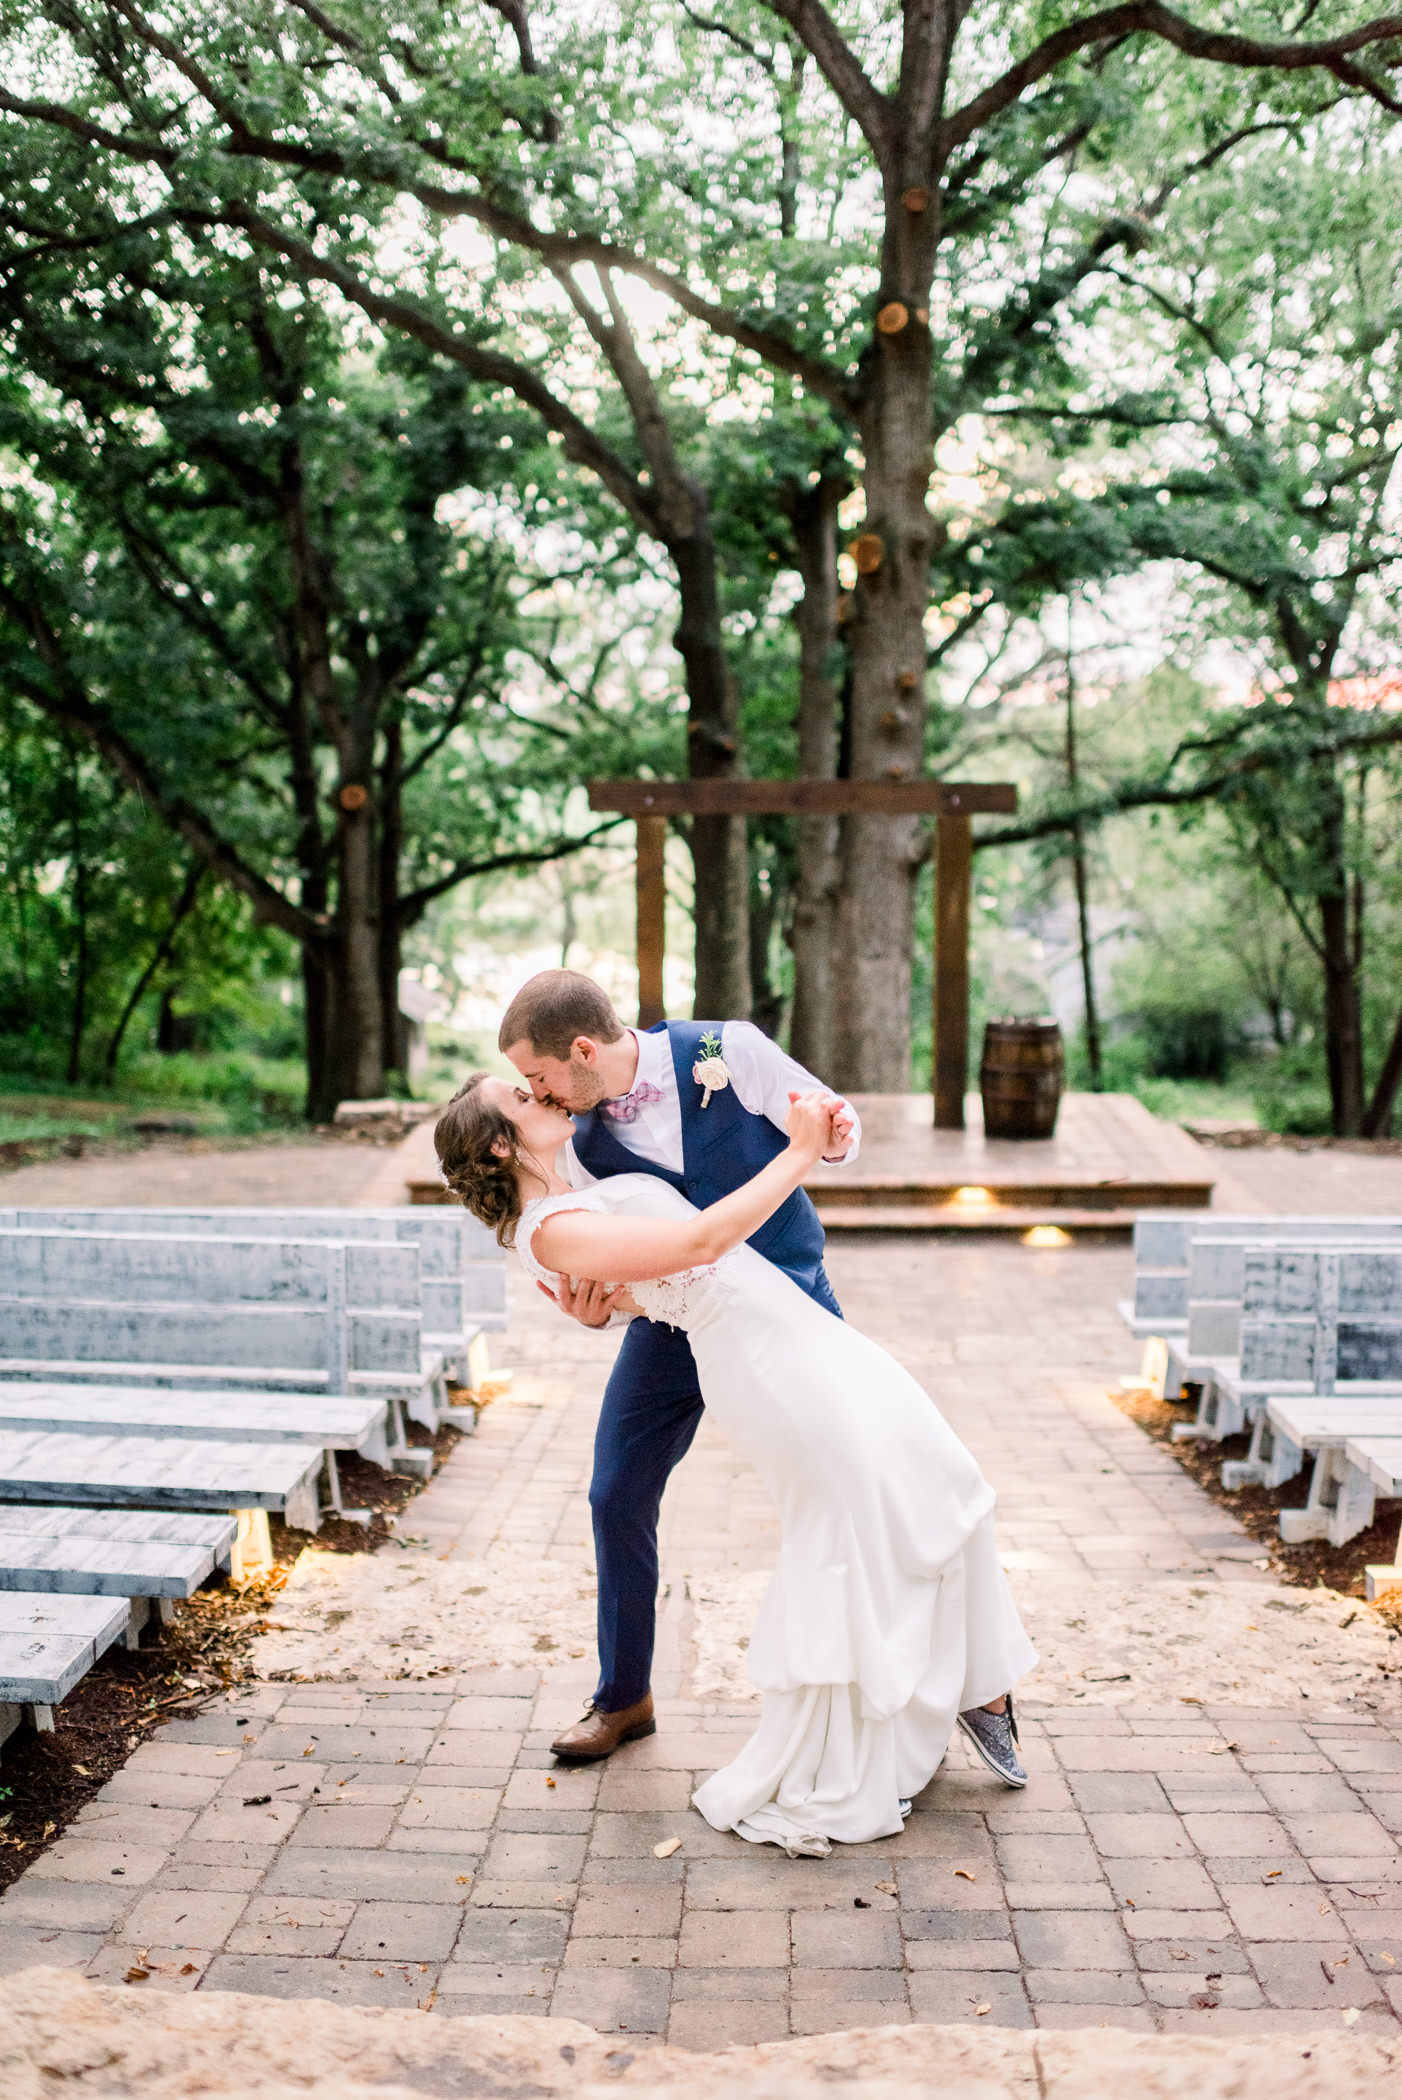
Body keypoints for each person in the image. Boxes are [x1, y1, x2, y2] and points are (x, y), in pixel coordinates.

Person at [434, 1057, 1037, 1858]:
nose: (538, 1092)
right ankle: (859, 1741)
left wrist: (609, 1303)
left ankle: (955, 1688)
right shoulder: (550, 1230)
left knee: (943, 1478)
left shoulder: (575, 1180)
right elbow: (697, 1240)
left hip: (799, 1328)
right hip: (763, 1365)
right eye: (520, 1095)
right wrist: (799, 1153)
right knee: (847, 1531)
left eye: (534, 1079)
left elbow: (641, 1278)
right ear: (502, 1147)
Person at [497, 971, 859, 1760]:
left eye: (540, 1076)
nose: (542, 1095)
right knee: (615, 1491)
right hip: (675, 1324)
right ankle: (624, 1697)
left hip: (790, 1306)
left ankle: (878, 1685)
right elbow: (619, 1257)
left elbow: (832, 1122)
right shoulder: (575, 1142)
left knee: (850, 1486)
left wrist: (828, 1131)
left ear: (583, 1049)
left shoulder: (728, 1050)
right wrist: (604, 1308)